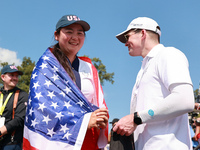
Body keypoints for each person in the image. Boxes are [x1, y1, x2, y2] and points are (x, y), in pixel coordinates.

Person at [23, 14, 109, 150]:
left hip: (87, 140)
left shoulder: (89, 67)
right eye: (69, 32)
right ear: (56, 35)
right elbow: (41, 108)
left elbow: (99, 102)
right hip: (55, 142)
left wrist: (101, 117)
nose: (75, 37)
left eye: (80, 33)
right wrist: (84, 121)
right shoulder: (45, 66)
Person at [113, 17, 194, 149]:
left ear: (143, 34)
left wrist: (136, 118)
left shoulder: (168, 54)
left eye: (127, 37)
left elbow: (185, 100)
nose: (125, 43)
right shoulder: (144, 68)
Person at [0, 65, 28, 150]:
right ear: (3, 77)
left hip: (11, 144)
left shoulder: (23, 95)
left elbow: (19, 119)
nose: (15, 78)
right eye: (11, 75)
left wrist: (1, 131)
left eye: (16, 76)